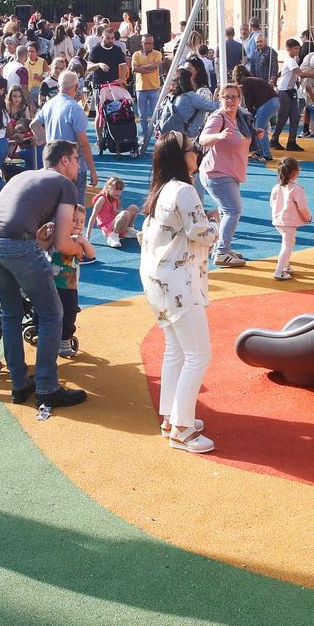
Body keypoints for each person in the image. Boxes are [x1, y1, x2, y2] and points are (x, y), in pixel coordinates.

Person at [0, 140, 90, 409]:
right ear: (64, 161)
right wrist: (81, 248)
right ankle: (47, 387)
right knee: (52, 313)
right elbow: (63, 244)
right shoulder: (65, 185)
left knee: (11, 313)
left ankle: (19, 384)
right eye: (76, 159)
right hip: (16, 244)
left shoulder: (27, 175)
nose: (78, 164)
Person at [140, 133, 219, 453]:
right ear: (180, 157)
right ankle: (182, 429)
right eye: (193, 149)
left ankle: (172, 418)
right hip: (178, 283)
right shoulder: (184, 191)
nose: (197, 153)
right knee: (198, 354)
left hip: (159, 281)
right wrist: (215, 224)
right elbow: (201, 234)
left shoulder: (160, 191)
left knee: (177, 351)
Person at [198, 82, 251, 268]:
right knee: (233, 210)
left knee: (225, 211)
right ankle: (221, 252)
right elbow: (202, 139)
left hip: (231, 171)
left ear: (239, 99)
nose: (230, 100)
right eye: (226, 97)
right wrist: (218, 137)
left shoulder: (240, 117)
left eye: (234, 97)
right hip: (217, 173)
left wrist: (256, 135)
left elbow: (242, 137)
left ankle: (222, 247)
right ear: (219, 98)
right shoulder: (218, 117)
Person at [38, 71, 96, 202]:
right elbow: (83, 144)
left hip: (52, 164)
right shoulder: (75, 109)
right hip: (73, 167)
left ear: (59, 86)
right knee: (75, 210)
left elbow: (34, 124)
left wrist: (49, 141)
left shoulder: (49, 104)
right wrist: (92, 170)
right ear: (76, 87)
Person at [52, 203, 96, 358]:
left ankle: (65, 340)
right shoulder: (57, 236)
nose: (78, 224)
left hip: (70, 287)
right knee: (46, 311)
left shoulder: (79, 241)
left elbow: (91, 254)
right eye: (74, 220)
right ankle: (41, 331)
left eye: (81, 221)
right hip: (53, 284)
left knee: (69, 313)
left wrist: (83, 242)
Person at [270, 157, 311, 281]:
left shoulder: (277, 187)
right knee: (288, 245)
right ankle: (279, 270)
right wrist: (308, 217)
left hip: (278, 220)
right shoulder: (296, 189)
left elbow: (272, 202)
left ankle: (285, 265)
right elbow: (302, 207)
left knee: (286, 243)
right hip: (289, 221)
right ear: (295, 172)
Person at [272, 38, 305, 152]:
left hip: (291, 90)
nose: (297, 51)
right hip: (284, 91)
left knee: (295, 116)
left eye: (298, 48)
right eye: (295, 48)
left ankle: (291, 141)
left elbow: (293, 74)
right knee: (282, 117)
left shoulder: (294, 59)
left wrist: (295, 81)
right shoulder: (290, 60)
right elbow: (300, 73)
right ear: (288, 49)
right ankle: (274, 139)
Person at [131, 34, 163, 149]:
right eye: (146, 43)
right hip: (141, 88)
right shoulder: (136, 55)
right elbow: (134, 69)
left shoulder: (157, 54)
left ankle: (158, 134)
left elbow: (156, 66)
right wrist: (149, 68)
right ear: (142, 44)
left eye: (150, 43)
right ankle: (143, 134)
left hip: (154, 87)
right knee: (142, 115)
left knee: (157, 114)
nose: (148, 45)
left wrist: (142, 68)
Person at [87, 176, 137, 249]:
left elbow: (120, 212)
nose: (119, 192)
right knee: (125, 213)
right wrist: (88, 235)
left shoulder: (116, 198)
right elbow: (93, 216)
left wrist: (118, 213)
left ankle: (128, 230)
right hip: (108, 228)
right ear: (108, 188)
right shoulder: (102, 199)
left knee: (134, 208)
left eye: (120, 190)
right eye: (116, 189)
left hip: (115, 224)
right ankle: (113, 236)